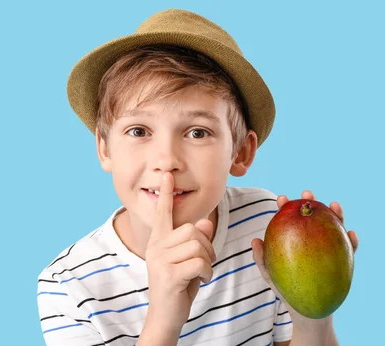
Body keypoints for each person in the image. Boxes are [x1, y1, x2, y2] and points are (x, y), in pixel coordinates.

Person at [36, 8, 359, 346]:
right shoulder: (69, 287)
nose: (167, 161)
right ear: (104, 149)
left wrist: (311, 315)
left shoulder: (266, 228)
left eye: (198, 133)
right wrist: (163, 319)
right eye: (139, 130)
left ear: (241, 153)